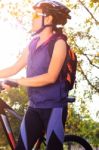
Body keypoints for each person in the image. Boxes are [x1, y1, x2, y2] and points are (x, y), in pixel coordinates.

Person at [0, 0, 71, 149]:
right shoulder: (32, 44)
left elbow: (50, 77)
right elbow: (16, 66)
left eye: (36, 15)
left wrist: (19, 81)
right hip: (34, 107)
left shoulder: (59, 43)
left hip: (54, 108)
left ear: (49, 18)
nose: (32, 18)